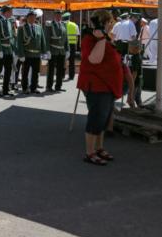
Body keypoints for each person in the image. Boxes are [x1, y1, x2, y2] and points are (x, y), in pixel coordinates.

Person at [77, 10, 123, 166]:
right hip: (96, 85)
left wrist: (105, 38)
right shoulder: (90, 39)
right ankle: (89, 153)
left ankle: (99, 148)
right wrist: (102, 38)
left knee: (103, 120)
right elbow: (94, 59)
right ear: (104, 22)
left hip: (107, 85)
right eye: (110, 22)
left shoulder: (104, 38)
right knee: (96, 118)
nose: (112, 25)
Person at [17, 10, 47, 94]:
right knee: (25, 72)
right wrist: (21, 54)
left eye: (34, 17)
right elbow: (19, 42)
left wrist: (44, 52)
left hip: (36, 54)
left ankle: (34, 88)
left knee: (35, 72)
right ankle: (25, 88)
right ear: (27, 18)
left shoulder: (39, 27)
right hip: (27, 53)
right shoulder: (22, 28)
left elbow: (42, 40)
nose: (32, 19)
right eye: (30, 17)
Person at [0, 6, 15, 97]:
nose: (11, 14)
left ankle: (5, 90)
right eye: (10, 12)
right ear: (6, 12)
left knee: (8, 70)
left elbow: (11, 37)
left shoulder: (8, 21)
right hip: (1, 49)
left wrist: (13, 49)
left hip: (8, 50)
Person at [45, 10, 68, 92]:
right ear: (54, 15)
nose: (59, 17)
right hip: (53, 50)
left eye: (60, 15)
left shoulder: (63, 24)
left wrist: (67, 49)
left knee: (60, 69)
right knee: (51, 70)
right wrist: (47, 50)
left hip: (61, 50)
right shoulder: (50, 24)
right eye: (57, 15)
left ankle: (58, 86)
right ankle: (49, 86)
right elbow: (47, 38)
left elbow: (66, 38)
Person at [64, 12, 79, 80]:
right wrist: (76, 45)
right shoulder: (75, 25)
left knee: (63, 60)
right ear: (69, 18)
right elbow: (77, 36)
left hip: (64, 45)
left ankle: (62, 75)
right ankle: (71, 76)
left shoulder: (62, 24)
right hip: (72, 45)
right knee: (72, 61)